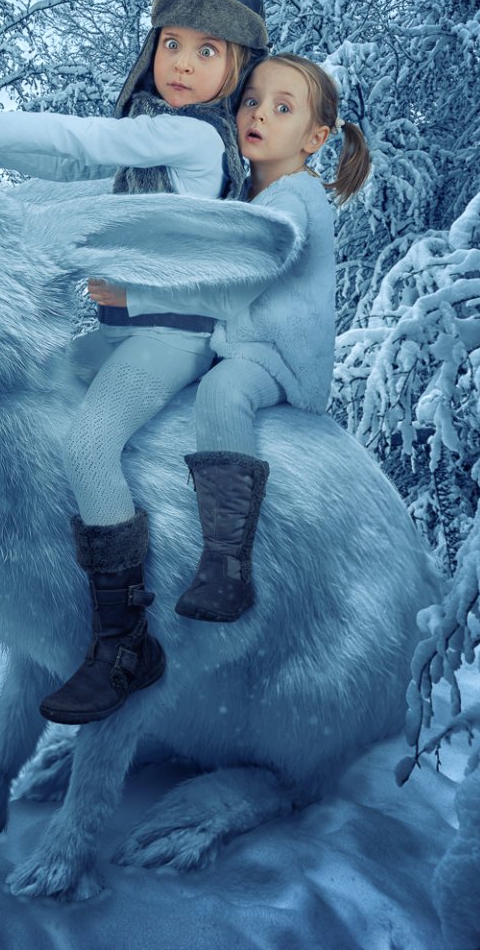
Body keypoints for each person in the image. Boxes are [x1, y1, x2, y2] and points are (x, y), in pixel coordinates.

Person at [0, 0, 268, 724]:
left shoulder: (195, 143)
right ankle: (64, 580)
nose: (183, 64)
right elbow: (62, 181)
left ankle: (126, 642)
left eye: (209, 52)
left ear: (237, 69)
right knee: (29, 394)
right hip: (120, 329)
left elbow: (87, 141)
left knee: (87, 443)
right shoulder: (153, 143)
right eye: (174, 43)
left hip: (171, 335)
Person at [93, 53, 371, 623]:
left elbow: (229, 291)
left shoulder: (292, 201)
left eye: (282, 108)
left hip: (275, 356)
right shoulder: (257, 195)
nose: (259, 114)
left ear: (315, 137)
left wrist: (137, 297)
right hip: (245, 342)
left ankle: (228, 563)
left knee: (222, 395)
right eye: (252, 101)